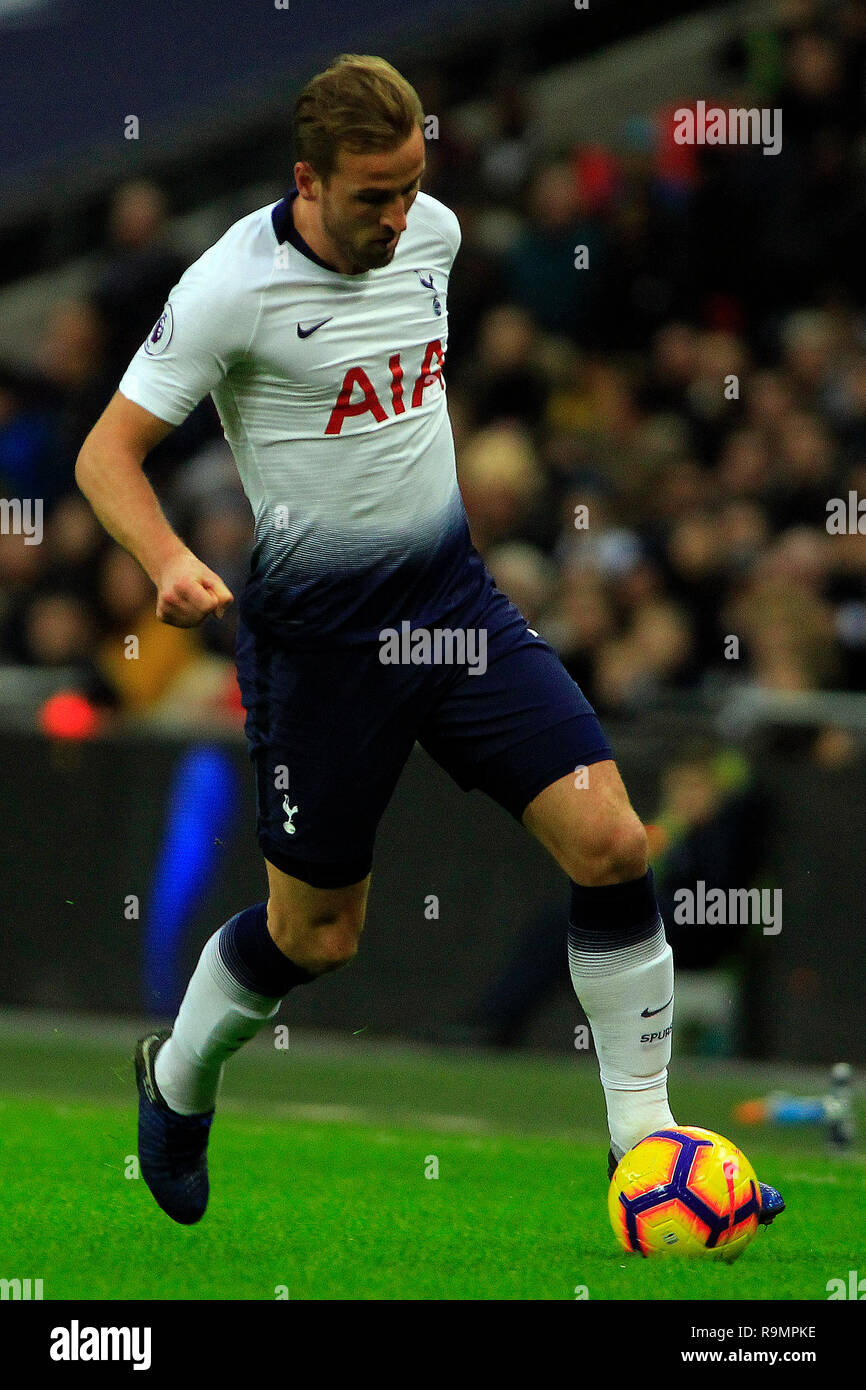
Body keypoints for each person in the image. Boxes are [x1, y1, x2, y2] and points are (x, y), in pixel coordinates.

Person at [75, 54, 783, 1231]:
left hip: (455, 611)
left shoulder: (435, 236)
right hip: (320, 653)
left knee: (610, 841)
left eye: (411, 187)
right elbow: (106, 454)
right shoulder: (226, 290)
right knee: (318, 936)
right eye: (372, 194)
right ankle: (177, 1074)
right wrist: (169, 564)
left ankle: (643, 1145)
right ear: (306, 181)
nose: (399, 215)